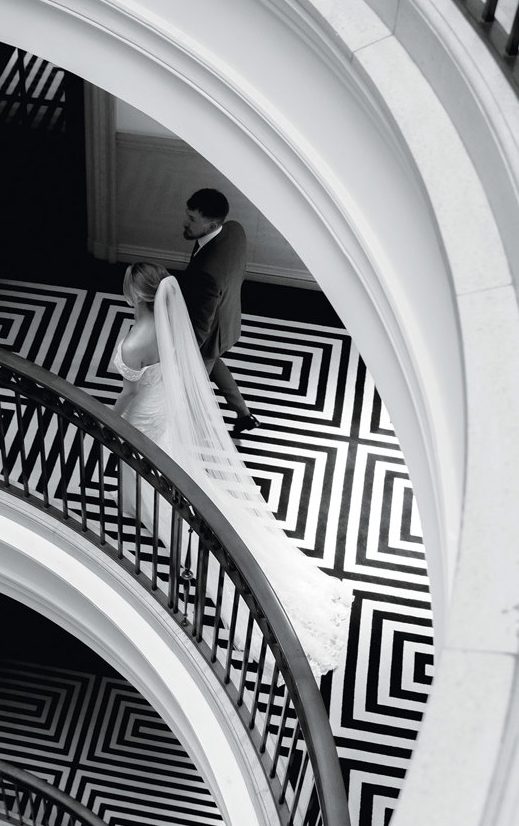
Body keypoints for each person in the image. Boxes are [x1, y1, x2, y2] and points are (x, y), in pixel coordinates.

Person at [112, 261, 352, 678]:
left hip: (145, 412)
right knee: (168, 461)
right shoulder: (171, 324)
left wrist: (110, 418)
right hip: (164, 404)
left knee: (143, 459)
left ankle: (161, 517)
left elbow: (130, 392)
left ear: (136, 295)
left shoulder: (135, 343)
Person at [179, 188, 259, 438]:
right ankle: (245, 416)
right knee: (215, 365)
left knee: (191, 389)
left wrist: (184, 353)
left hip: (209, 333)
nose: (185, 222)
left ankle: (195, 433)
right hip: (228, 320)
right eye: (187, 215)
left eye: (192, 219)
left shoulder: (208, 274)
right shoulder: (235, 230)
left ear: (212, 224)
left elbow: (201, 327)